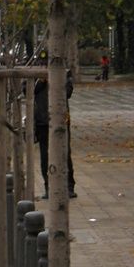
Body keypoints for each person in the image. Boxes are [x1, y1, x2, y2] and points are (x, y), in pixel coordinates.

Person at [34, 62, 76, 199]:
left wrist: (56, 80)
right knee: (45, 156)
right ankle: (48, 186)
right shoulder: (34, 73)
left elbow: (68, 92)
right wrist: (41, 81)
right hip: (42, 120)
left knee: (64, 152)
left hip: (61, 120)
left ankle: (69, 186)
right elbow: (26, 91)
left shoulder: (64, 72)